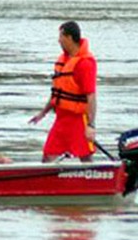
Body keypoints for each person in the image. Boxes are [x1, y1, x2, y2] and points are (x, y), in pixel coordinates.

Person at [29, 21, 97, 162]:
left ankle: (98, 181)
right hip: (61, 119)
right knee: (48, 156)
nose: (58, 40)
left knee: (85, 158)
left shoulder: (84, 63)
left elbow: (91, 96)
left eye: (61, 36)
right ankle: (44, 182)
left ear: (69, 38)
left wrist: (90, 125)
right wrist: (43, 113)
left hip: (78, 119)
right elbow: (57, 93)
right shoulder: (63, 61)